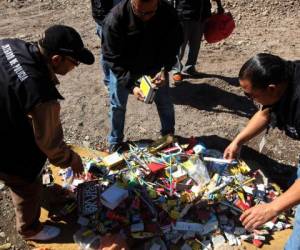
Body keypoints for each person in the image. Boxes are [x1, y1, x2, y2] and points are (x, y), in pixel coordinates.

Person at [0, 25, 94, 241]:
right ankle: (29, 229)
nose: (75, 67)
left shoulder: (10, 44)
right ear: (55, 59)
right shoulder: (41, 93)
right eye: (74, 62)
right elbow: (50, 143)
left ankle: (43, 196)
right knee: (24, 179)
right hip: (4, 140)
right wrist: (71, 159)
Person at [223, 53, 300, 249]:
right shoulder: (283, 79)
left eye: (251, 95)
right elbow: (266, 112)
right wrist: (238, 141)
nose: (249, 99)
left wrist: (272, 208)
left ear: (271, 89)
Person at [102, 0, 183, 152]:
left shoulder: (167, 12)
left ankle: (168, 134)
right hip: (125, 66)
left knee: (164, 100)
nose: (147, 17)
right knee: (118, 105)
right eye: (141, 13)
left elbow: (174, 43)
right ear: (132, 3)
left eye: (152, 12)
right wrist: (131, 86)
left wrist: (165, 69)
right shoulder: (115, 19)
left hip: (155, 65)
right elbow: (112, 58)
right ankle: (115, 140)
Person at [171, 0, 224, 84]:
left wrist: (219, 5)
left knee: (195, 45)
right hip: (183, 14)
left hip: (200, 16)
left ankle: (190, 67)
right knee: (181, 45)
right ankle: (176, 71)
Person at [91, 0, 122, 90]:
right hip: (105, 15)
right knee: (108, 50)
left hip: (116, 10)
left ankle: (122, 78)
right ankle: (109, 81)